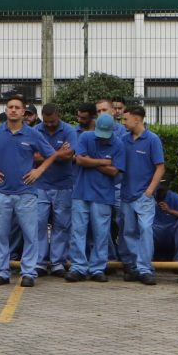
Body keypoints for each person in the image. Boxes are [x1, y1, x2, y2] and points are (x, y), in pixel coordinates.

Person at [0, 95, 53, 288]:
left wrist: (38, 171)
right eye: (10, 107)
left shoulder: (33, 134)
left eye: (17, 107)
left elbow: (52, 155)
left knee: (30, 234)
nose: (13, 110)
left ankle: (29, 272)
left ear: (23, 112)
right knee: (1, 234)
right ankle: (1, 272)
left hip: (26, 193)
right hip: (2, 192)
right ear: (6, 110)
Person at [66, 112, 120, 281]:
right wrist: (103, 161)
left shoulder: (118, 144)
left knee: (101, 233)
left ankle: (97, 268)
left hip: (103, 195)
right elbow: (80, 161)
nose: (103, 139)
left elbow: (114, 171)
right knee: (78, 232)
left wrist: (91, 161)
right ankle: (78, 267)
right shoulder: (85, 137)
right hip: (81, 193)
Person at [118, 105, 166, 284]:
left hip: (143, 196)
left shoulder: (152, 139)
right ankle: (135, 267)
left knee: (145, 230)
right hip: (126, 195)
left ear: (137, 119)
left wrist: (149, 192)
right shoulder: (123, 139)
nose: (123, 122)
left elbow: (160, 167)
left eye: (126, 119)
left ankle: (145, 269)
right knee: (129, 231)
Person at [31, 102, 78, 273]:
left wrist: (46, 154)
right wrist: (57, 152)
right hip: (40, 185)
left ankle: (58, 262)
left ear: (58, 115)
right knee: (39, 223)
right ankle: (40, 262)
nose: (49, 124)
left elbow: (69, 154)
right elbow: (32, 156)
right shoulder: (36, 130)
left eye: (52, 121)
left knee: (62, 224)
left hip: (63, 185)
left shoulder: (69, 130)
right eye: (46, 121)